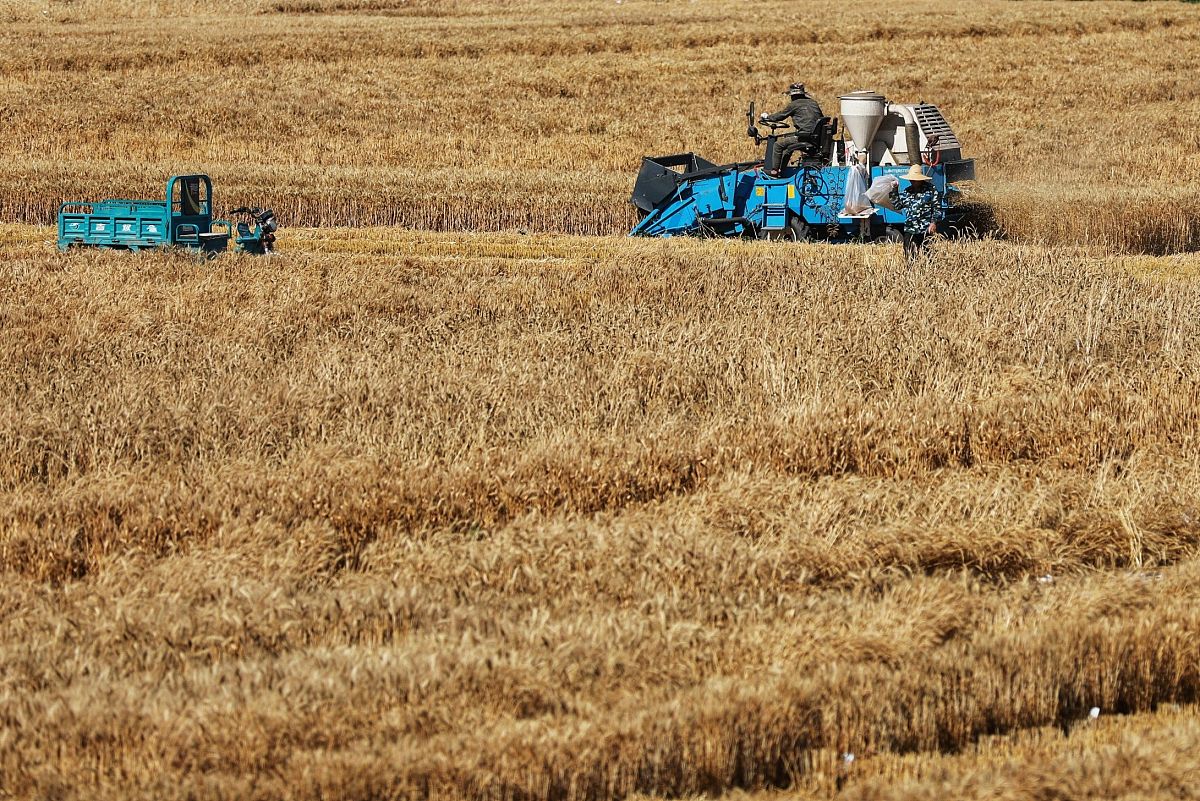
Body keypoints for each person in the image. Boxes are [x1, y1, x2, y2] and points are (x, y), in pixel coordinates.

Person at [760, 83, 823, 175]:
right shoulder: (813, 103)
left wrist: (767, 117)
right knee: (787, 145)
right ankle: (782, 170)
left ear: (793, 96)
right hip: (816, 136)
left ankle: (774, 171)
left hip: (805, 137)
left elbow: (780, 116)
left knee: (778, 145)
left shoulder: (794, 104)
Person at [888, 164, 942, 260]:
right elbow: (898, 206)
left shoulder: (931, 190)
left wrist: (933, 222)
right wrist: (894, 191)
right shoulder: (907, 191)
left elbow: (937, 208)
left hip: (926, 229)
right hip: (910, 228)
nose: (912, 181)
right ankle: (911, 272)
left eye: (914, 179)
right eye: (911, 179)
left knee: (928, 254)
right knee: (909, 253)